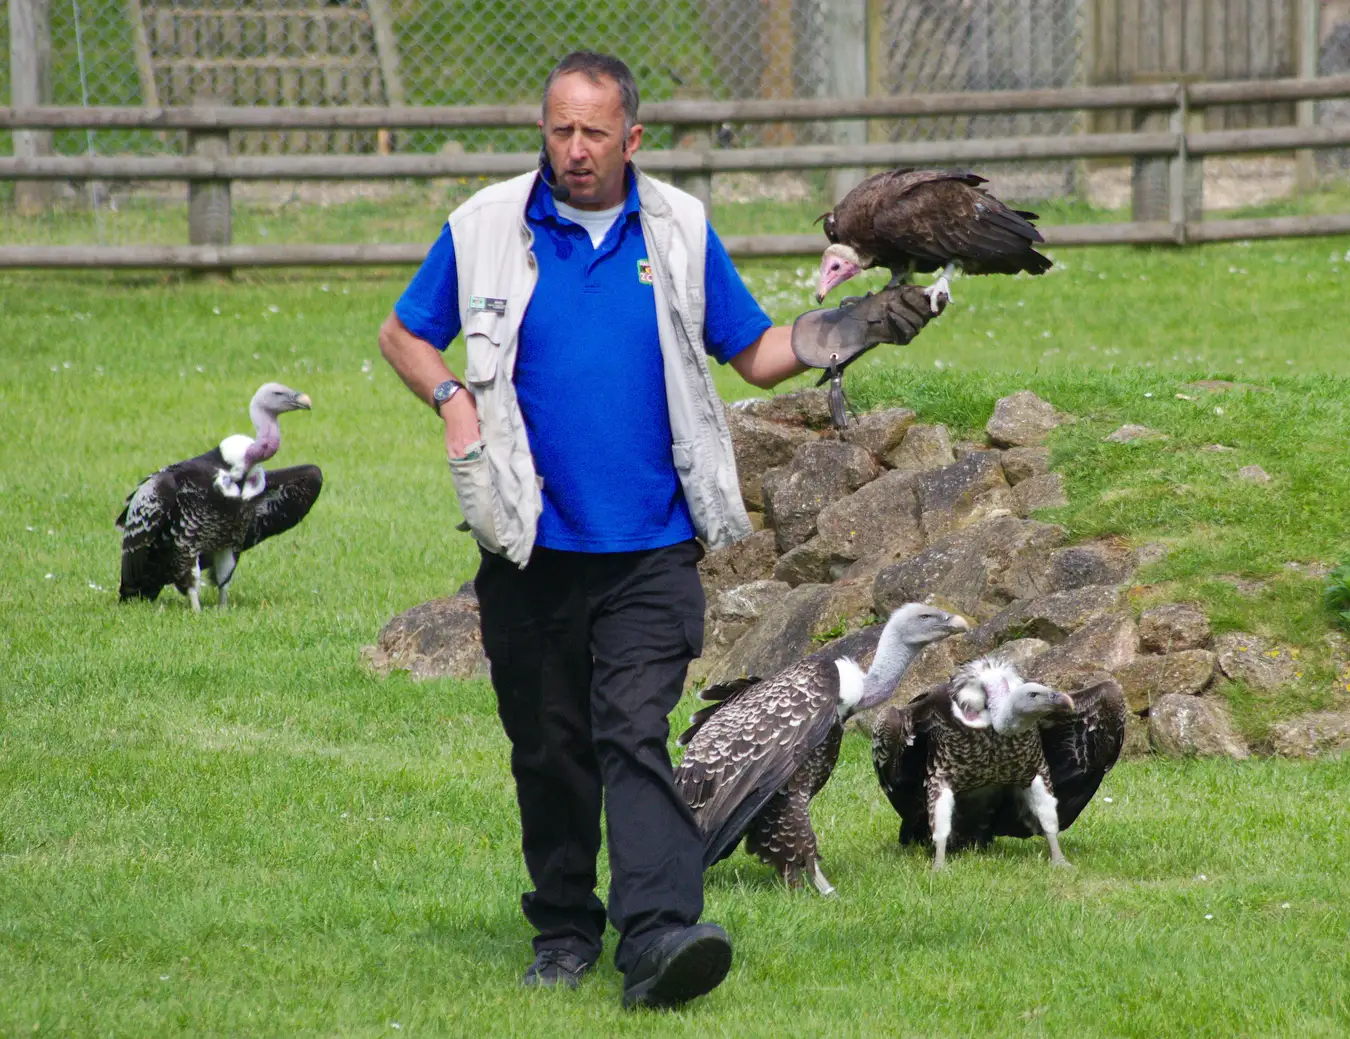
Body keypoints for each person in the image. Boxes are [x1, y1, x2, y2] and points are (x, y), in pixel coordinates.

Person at [377, 50, 941, 1010]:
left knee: (634, 735)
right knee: (550, 749)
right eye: (560, 129)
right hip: (529, 549)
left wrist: (849, 329)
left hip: (650, 550)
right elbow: (403, 331)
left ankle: (660, 937)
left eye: (595, 131)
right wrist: (450, 399)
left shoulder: (676, 230)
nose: (576, 148)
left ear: (632, 138)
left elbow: (756, 353)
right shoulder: (484, 228)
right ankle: (562, 928)